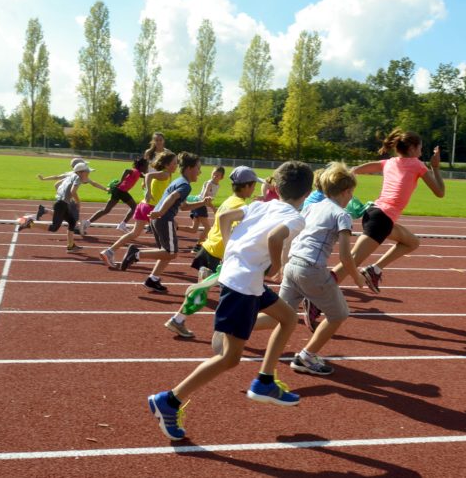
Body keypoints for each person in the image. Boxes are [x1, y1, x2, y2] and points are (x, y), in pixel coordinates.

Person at [147, 161, 313, 441]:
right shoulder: (296, 217)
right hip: (243, 286)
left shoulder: (262, 204)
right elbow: (275, 237)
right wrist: (274, 266)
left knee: (287, 318)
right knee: (229, 358)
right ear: (306, 193)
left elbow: (224, 218)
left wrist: (231, 252)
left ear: (276, 186)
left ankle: (265, 380)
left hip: (244, 278)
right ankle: (169, 400)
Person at [243, 162, 365, 375]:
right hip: (311, 268)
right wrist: (357, 278)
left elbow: (292, 236)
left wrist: (282, 264)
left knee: (278, 316)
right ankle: (307, 357)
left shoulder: (311, 206)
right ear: (346, 192)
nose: (351, 198)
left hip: (293, 264)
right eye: (351, 193)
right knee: (339, 315)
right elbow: (346, 256)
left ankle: (235, 324)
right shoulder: (342, 215)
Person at [163, 165, 261, 338]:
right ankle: (178, 320)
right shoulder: (239, 206)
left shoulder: (231, 201)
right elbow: (233, 233)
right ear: (246, 186)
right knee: (204, 295)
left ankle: (180, 320)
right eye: (253, 185)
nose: (254, 189)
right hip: (217, 254)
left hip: (210, 249)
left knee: (206, 293)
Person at [344, 129, 445, 292]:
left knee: (412, 242)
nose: (421, 151)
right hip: (381, 219)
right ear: (412, 148)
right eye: (420, 148)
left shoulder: (390, 162)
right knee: (351, 262)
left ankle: (374, 270)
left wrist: (349, 171)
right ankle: (318, 292)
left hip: (375, 214)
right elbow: (440, 192)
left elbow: (363, 168)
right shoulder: (417, 165)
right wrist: (436, 168)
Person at [125, 152, 211, 293]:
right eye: (198, 168)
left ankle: (152, 279)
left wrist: (201, 202)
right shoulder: (185, 185)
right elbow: (172, 197)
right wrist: (160, 213)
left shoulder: (179, 181)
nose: (200, 172)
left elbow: (183, 206)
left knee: (165, 252)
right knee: (171, 253)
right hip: (163, 219)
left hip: (157, 220)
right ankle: (136, 253)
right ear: (189, 168)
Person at [98, 151, 175, 269]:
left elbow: (149, 177)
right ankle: (146, 259)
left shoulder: (164, 174)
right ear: (166, 165)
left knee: (135, 233)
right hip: (151, 208)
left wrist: (147, 187)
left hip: (143, 206)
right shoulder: (164, 174)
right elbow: (148, 176)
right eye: (174, 163)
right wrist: (149, 190)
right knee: (166, 239)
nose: (177, 166)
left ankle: (109, 251)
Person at [17, 161, 104, 253]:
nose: (88, 173)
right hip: (61, 204)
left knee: (72, 221)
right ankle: (30, 223)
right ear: (80, 172)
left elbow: (57, 180)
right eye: (87, 171)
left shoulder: (71, 175)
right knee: (54, 227)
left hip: (62, 203)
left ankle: (71, 246)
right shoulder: (78, 178)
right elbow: (73, 192)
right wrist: (78, 202)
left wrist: (44, 179)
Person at [87, 157, 149, 228]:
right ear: (141, 167)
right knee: (134, 207)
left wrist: (146, 176)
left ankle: (87, 222)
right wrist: (121, 181)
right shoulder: (135, 171)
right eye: (146, 166)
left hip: (117, 190)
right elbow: (126, 170)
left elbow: (142, 175)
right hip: (122, 191)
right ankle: (122, 225)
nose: (147, 168)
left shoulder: (138, 172)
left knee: (106, 210)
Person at [186, 166, 224, 240]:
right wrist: (213, 208)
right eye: (213, 174)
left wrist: (212, 206)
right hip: (199, 204)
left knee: (194, 229)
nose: (214, 176)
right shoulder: (209, 183)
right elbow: (205, 198)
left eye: (217, 175)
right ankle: (198, 246)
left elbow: (207, 199)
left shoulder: (217, 185)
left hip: (199, 203)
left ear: (222, 177)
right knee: (207, 228)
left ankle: (175, 227)